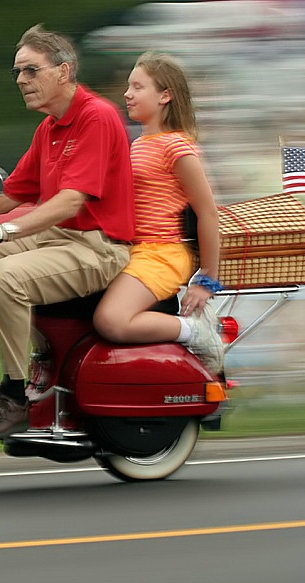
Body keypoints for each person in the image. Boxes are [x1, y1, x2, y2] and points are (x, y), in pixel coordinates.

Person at [0, 24, 135, 437]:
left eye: (30, 71)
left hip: (97, 248)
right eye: (17, 73)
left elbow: (71, 201)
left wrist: (4, 232)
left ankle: (14, 395)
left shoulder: (98, 116)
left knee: (4, 276)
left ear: (64, 71)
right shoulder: (49, 129)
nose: (21, 81)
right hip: (52, 240)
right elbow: (7, 195)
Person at [92, 51, 224, 374]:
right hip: (134, 251)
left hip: (162, 254)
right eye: (128, 87)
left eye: (138, 87)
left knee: (111, 320)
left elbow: (208, 214)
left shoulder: (177, 147)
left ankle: (196, 331)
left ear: (165, 95)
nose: (127, 94)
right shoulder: (138, 144)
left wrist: (208, 280)